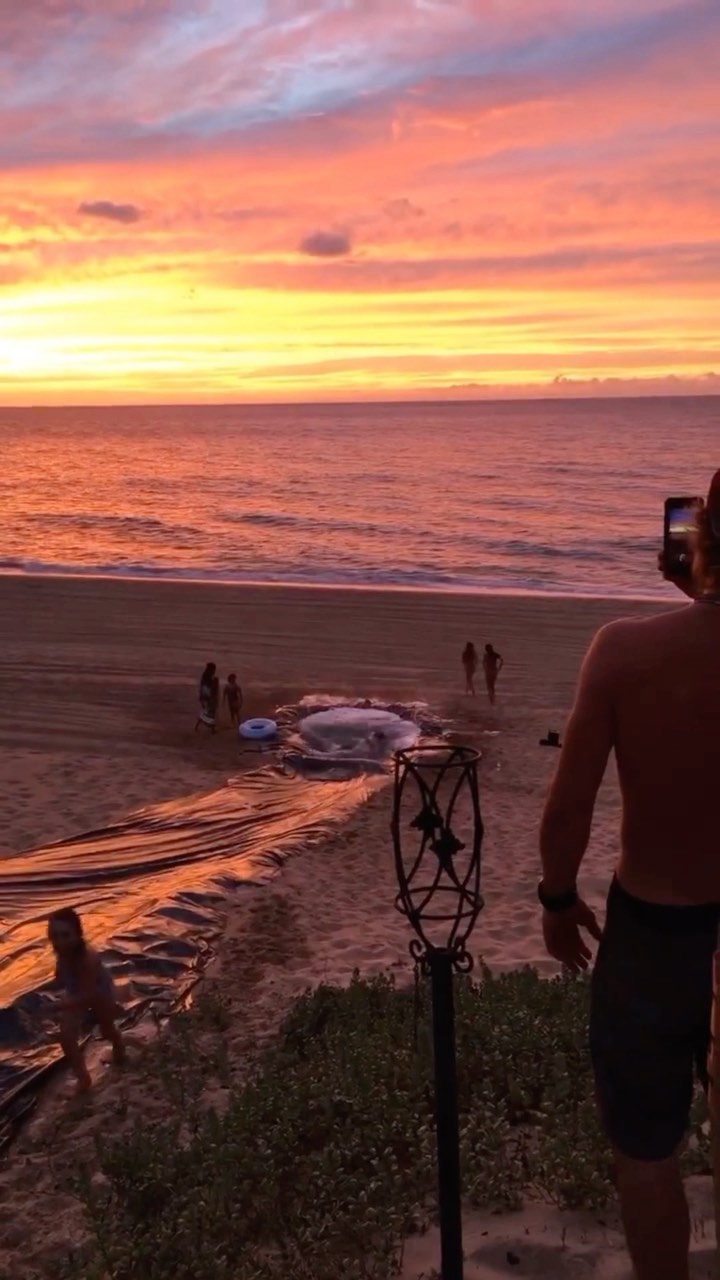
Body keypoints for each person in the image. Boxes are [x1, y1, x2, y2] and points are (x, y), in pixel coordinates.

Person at [538, 469, 720, 1280]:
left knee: (646, 1151)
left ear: (700, 542)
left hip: (654, 936)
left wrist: (556, 898)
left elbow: (569, 807)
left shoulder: (624, 651)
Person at [48, 907, 126, 1093]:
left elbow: (88, 995)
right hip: (77, 992)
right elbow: (65, 979)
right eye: (55, 935)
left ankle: (119, 1045)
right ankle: (83, 1078)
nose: (60, 941)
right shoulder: (63, 953)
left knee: (107, 1030)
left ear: (78, 934)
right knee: (66, 1036)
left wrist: (60, 1005)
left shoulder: (86, 958)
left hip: (99, 993)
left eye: (66, 935)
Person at [195, 661, 217, 732]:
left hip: (206, 698)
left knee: (205, 713)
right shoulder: (208, 679)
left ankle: (198, 726)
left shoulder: (205, 677)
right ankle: (212, 729)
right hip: (208, 698)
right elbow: (208, 690)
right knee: (209, 713)